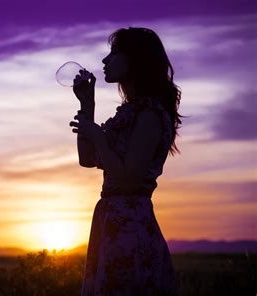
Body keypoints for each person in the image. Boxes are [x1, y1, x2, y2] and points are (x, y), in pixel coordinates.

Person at [69, 27, 185, 295]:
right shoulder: (130, 113)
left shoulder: (150, 115)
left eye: (114, 53)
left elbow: (128, 178)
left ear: (136, 60)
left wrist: (97, 134)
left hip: (130, 228)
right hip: (112, 223)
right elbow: (87, 160)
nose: (105, 61)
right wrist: (88, 104)